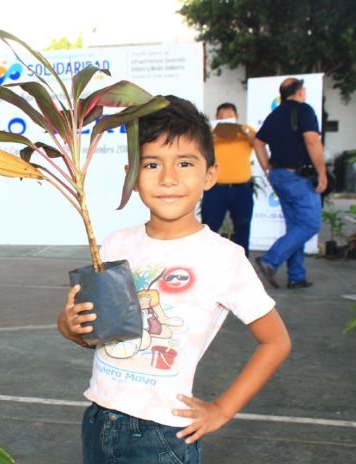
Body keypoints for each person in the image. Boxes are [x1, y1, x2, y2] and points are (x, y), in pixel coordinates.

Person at [57, 96, 291, 464]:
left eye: (185, 163)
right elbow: (96, 334)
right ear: (132, 176)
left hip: (162, 436)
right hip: (98, 420)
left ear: (209, 174)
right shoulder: (116, 243)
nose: (168, 178)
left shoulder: (224, 257)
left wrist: (222, 409)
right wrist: (68, 325)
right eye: (152, 164)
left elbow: (276, 341)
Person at [252, 78, 327, 290]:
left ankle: (296, 276)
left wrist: (267, 167)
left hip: (279, 175)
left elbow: (257, 142)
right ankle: (270, 260)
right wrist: (322, 173)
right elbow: (312, 141)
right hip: (298, 176)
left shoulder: (275, 114)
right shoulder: (304, 110)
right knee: (310, 224)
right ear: (300, 92)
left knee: (295, 226)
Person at [201, 103, 256, 256]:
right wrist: (212, 135)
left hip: (242, 189)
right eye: (222, 117)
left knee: (243, 226)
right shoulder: (209, 134)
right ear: (216, 118)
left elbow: (258, 142)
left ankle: (242, 263)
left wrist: (243, 130)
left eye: (229, 117)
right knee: (209, 227)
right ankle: (205, 261)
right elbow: (198, 149)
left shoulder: (246, 131)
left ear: (237, 117)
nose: (225, 120)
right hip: (216, 188)